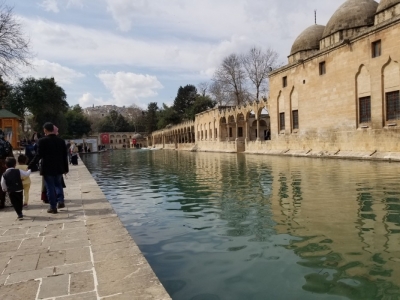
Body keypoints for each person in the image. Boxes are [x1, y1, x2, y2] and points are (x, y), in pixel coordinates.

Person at [28, 122, 69, 214]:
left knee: (50, 187)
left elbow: (38, 155)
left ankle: (53, 207)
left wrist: (29, 166)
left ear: (45, 130)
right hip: (59, 167)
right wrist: (66, 169)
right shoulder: (61, 141)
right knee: (58, 184)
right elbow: (64, 156)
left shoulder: (42, 141)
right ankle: (61, 200)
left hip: (47, 167)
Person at [0, 129, 14, 209]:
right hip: (3, 165)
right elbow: (10, 156)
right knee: (3, 182)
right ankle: (2, 202)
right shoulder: (6, 143)